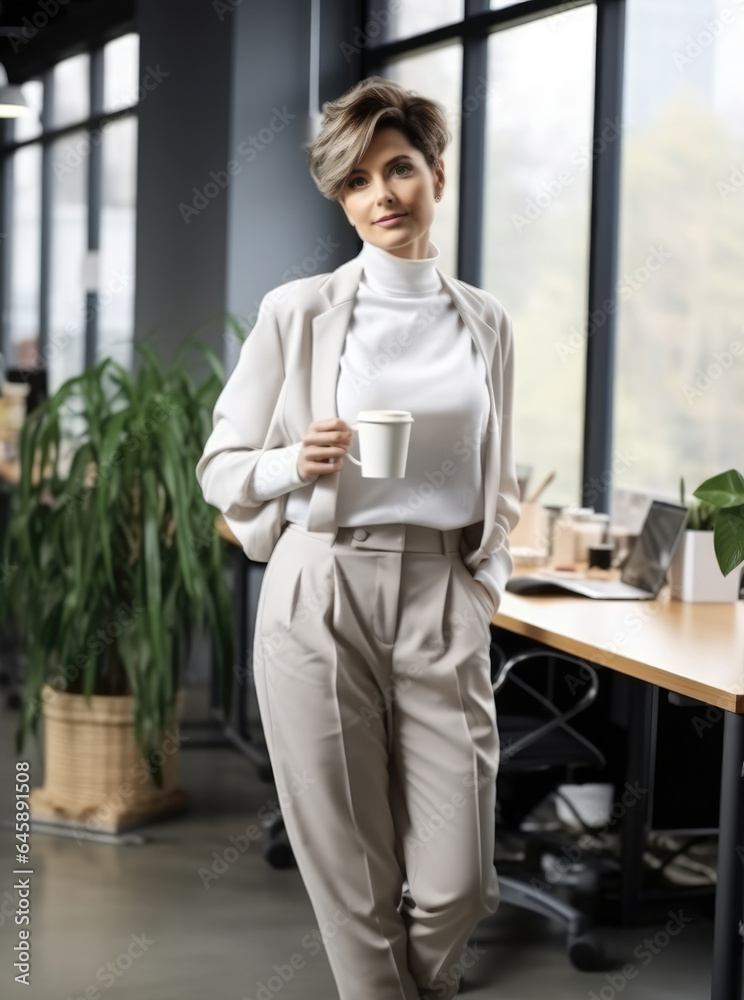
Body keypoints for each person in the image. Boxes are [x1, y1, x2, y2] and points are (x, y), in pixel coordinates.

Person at [195, 75, 521, 1000]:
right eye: (359, 180)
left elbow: (498, 477)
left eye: (401, 169)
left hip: (441, 591)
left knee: (458, 883)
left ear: (438, 178)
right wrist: (295, 462)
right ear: (342, 198)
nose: (383, 193)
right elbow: (221, 467)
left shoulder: (486, 322)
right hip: (321, 583)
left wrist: (482, 584)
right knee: (353, 878)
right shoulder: (297, 311)